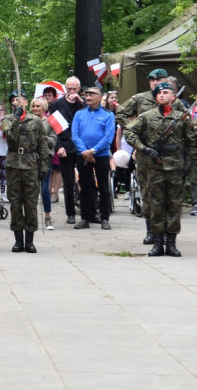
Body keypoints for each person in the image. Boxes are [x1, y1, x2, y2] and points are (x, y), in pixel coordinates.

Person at [125, 81, 195, 257]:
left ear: (173, 96)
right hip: (154, 167)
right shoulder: (147, 117)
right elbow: (129, 132)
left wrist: (189, 163)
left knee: (174, 205)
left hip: (176, 168)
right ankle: (157, 243)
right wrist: (143, 148)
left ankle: (171, 243)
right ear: (155, 97)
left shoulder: (183, 117)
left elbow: (192, 141)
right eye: (159, 93)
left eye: (166, 92)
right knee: (156, 205)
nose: (162, 95)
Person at [115, 68, 185, 242]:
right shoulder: (140, 98)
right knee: (147, 193)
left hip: (168, 155)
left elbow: (186, 121)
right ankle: (151, 231)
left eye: (159, 79)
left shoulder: (173, 100)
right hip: (145, 152)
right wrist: (136, 128)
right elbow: (120, 113)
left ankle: (167, 235)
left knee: (169, 196)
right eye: (152, 80)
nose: (155, 82)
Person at [2, 91, 51, 253]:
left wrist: (44, 166)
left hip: (30, 164)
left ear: (25, 101)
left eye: (19, 99)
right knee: (15, 202)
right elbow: (10, 137)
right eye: (14, 100)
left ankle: (29, 239)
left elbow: (43, 144)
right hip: (14, 164)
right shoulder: (8, 119)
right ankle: (18, 240)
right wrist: (16, 118)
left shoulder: (35, 120)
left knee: (30, 203)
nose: (16, 102)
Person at [71, 84, 117, 230]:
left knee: (104, 187)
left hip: (101, 155)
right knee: (84, 188)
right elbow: (75, 135)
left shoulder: (108, 115)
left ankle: (104, 218)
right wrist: (84, 151)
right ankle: (85, 217)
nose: (88, 97)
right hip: (82, 155)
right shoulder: (79, 114)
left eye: (92, 94)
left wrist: (93, 151)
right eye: (87, 95)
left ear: (99, 97)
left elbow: (108, 137)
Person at [49, 76, 85, 223]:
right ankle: (70, 213)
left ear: (79, 89)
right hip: (65, 146)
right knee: (68, 182)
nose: (71, 91)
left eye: (74, 89)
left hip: (82, 146)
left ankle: (87, 212)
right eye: (69, 89)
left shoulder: (83, 103)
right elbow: (53, 128)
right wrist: (58, 147)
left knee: (86, 181)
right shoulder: (57, 104)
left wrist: (80, 101)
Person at [30, 97, 58, 230]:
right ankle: (31, 217)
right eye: (34, 106)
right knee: (31, 189)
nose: (35, 109)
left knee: (45, 189)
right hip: (29, 159)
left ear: (44, 107)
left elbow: (53, 142)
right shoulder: (27, 120)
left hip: (45, 158)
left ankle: (48, 217)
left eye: (38, 106)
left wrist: (42, 135)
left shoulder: (51, 121)